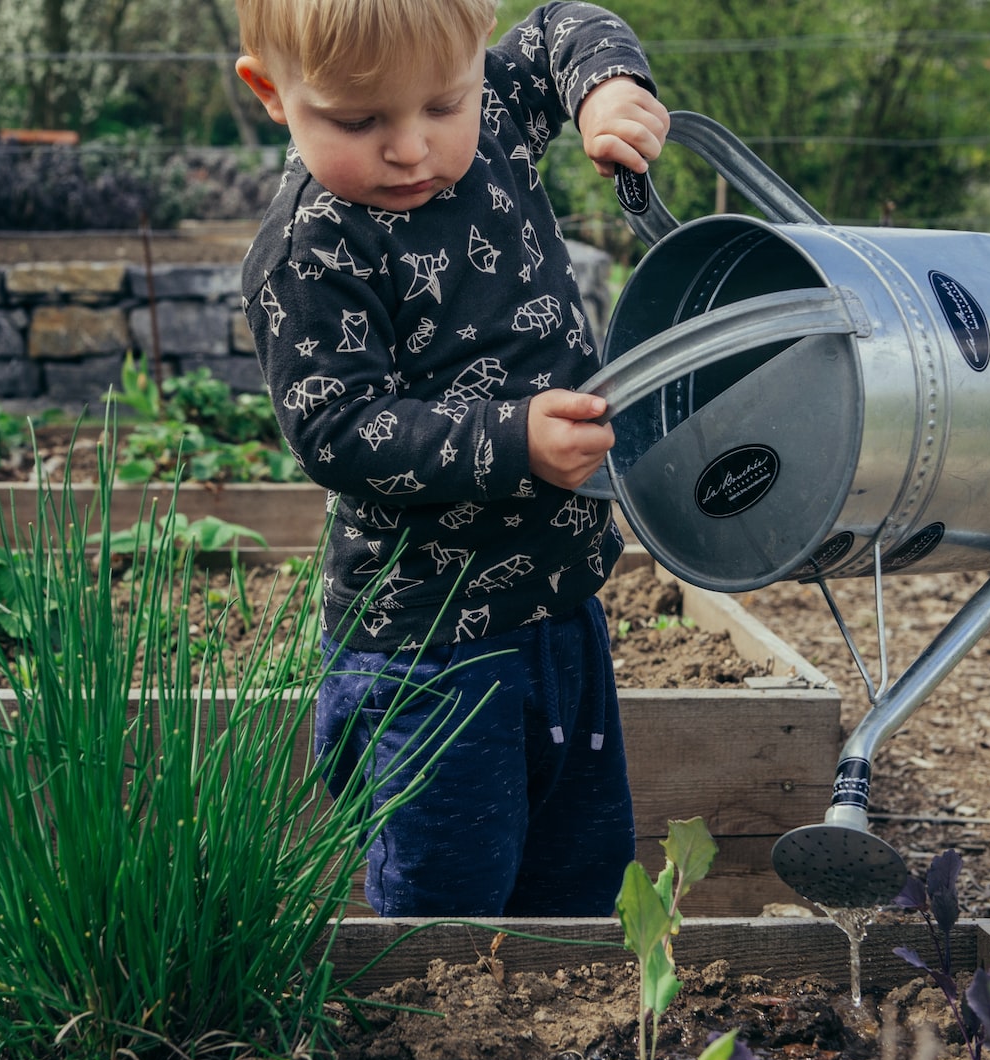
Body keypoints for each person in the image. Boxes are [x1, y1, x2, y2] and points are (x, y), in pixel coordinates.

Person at [233, 0, 669, 918]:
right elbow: (338, 427)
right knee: (449, 900)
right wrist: (512, 440)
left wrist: (606, 91)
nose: (411, 148)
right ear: (272, 93)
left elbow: (560, 28)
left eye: (444, 104)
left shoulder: (495, 112)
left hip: (562, 610)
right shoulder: (312, 249)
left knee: (582, 874)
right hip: (428, 648)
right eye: (358, 121)